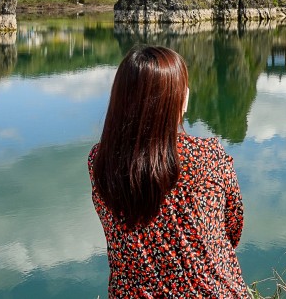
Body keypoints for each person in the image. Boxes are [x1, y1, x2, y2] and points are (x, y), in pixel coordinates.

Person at [88, 45, 250, 298]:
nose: (188, 91)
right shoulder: (207, 157)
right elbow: (232, 226)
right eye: (183, 86)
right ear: (175, 98)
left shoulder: (100, 160)